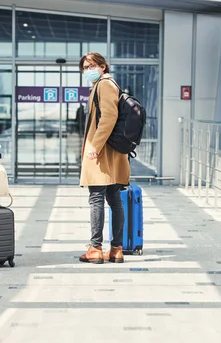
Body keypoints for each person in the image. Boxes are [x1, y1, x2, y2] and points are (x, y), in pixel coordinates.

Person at [78, 52, 130, 264]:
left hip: (102, 152)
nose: (88, 70)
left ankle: (96, 248)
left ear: (102, 66)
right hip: (109, 151)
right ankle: (116, 249)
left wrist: (95, 146)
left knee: (97, 198)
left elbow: (109, 116)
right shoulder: (103, 84)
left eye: (91, 66)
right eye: (84, 67)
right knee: (113, 199)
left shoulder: (105, 84)